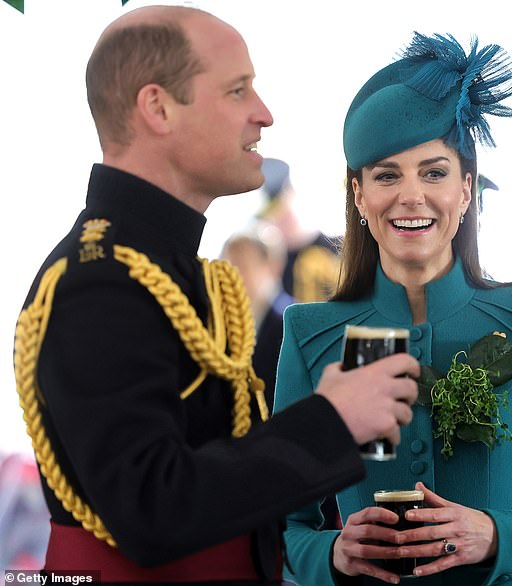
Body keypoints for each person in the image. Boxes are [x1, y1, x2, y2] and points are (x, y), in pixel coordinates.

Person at [12, 6, 421, 584]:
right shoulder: (97, 279)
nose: (264, 114)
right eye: (237, 90)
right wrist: (331, 419)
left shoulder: (180, 271)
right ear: (158, 108)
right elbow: (153, 506)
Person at [273, 33, 512, 585]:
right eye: (387, 175)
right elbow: (280, 527)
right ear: (359, 196)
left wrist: (497, 534)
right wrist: (333, 554)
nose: (412, 196)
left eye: (433, 172)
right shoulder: (310, 334)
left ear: (466, 190)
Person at [221, 222, 293, 412]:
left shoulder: (292, 320)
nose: (233, 275)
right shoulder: (222, 318)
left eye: (242, 265)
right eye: (227, 265)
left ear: (272, 266)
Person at [257, 157, 341, 302]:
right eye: (274, 215)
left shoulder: (340, 247)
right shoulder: (274, 267)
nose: (281, 219)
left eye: (284, 210)